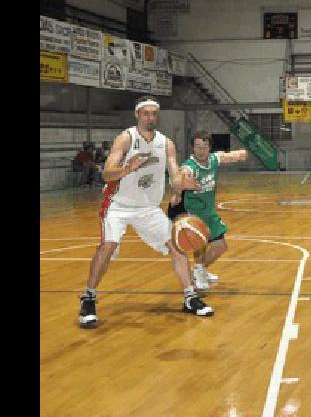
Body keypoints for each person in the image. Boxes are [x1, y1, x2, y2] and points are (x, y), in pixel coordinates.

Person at [77, 96, 210, 329]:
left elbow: (175, 176)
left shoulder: (166, 143)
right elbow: (106, 174)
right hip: (118, 205)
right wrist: (128, 167)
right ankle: (89, 298)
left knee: (176, 246)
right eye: (146, 113)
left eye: (154, 113)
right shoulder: (126, 139)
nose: (150, 117)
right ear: (137, 115)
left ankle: (190, 297)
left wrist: (184, 182)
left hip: (148, 208)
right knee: (107, 247)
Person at [166, 131, 248, 290]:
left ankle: (200, 270)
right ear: (192, 148)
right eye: (197, 147)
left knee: (221, 246)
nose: (200, 150)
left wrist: (240, 154)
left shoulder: (213, 159)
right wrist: (180, 187)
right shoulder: (189, 166)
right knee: (199, 243)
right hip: (193, 212)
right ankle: (198, 272)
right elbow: (180, 178)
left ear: (209, 147)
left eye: (204, 147)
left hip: (208, 210)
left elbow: (229, 156)